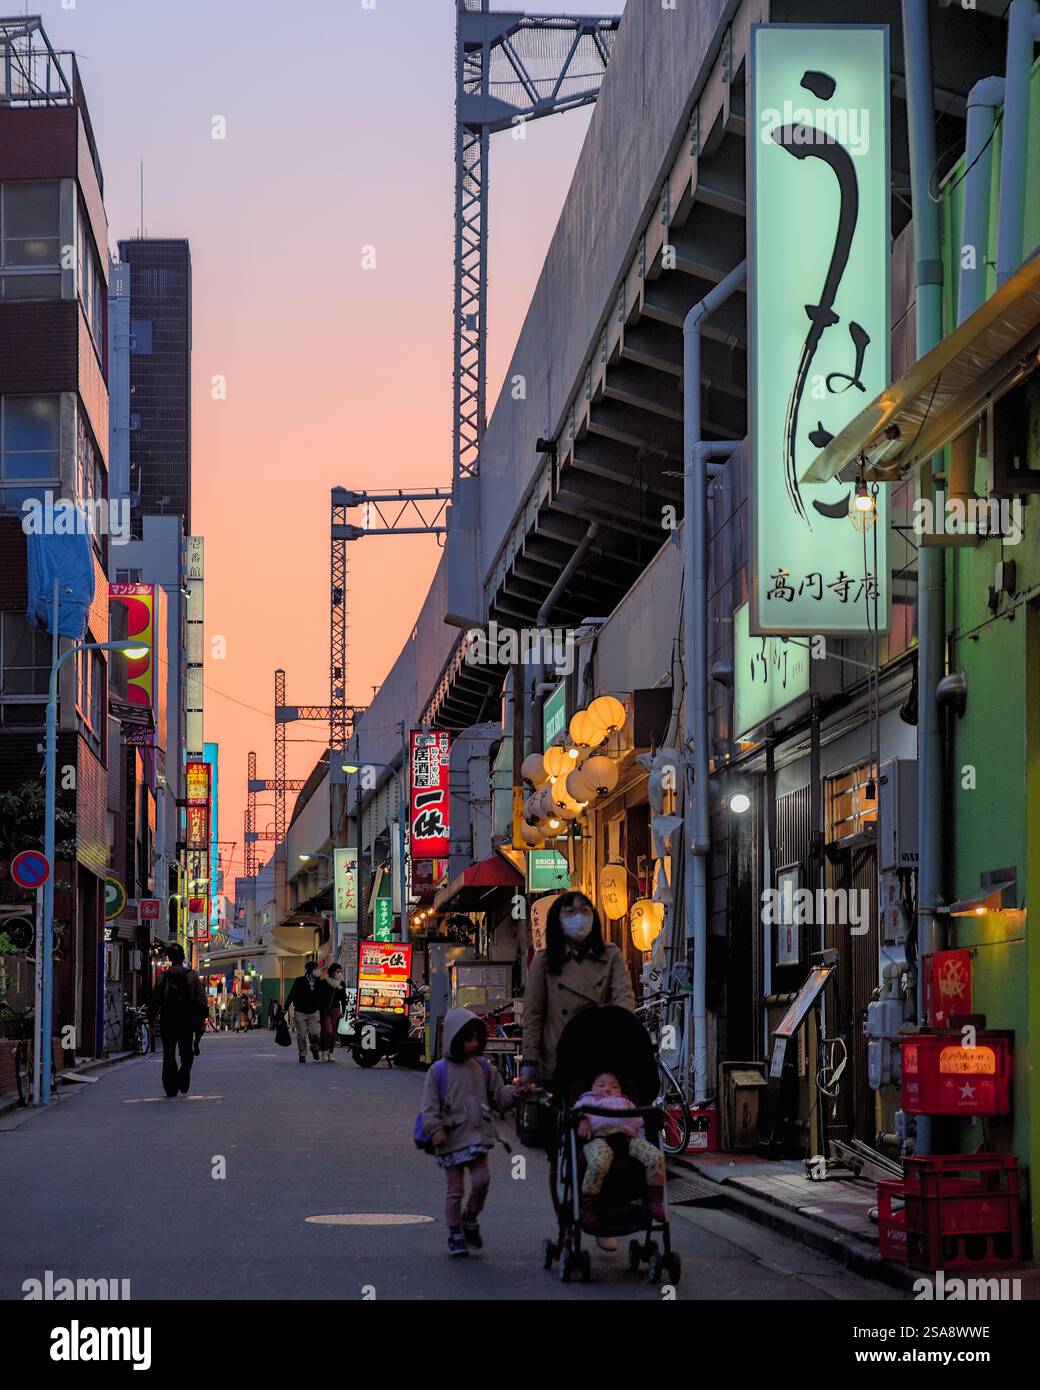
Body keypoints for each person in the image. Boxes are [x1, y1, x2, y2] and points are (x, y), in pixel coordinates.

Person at [421, 1006, 518, 1257]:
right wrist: (435, 1130)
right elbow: (429, 1106)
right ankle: (455, 1230)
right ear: (455, 1038)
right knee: (455, 1190)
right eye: (469, 1039)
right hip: (450, 1138)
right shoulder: (438, 1071)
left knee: (482, 1180)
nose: (474, 1044)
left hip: (478, 1136)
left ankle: (470, 1217)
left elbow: (499, 1097)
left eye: (477, 1038)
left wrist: (516, 1092)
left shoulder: (484, 1068)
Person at [519, 892, 635, 1088]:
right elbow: (533, 1014)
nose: (578, 917)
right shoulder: (544, 960)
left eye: (584, 910)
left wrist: (623, 1038)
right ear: (557, 919)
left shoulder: (611, 955)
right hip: (557, 1060)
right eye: (570, 912)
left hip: (601, 1058)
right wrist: (530, 1060)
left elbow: (623, 999)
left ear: (593, 916)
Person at [575, 1071, 666, 1222]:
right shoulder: (588, 1099)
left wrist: (643, 1140)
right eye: (601, 1085)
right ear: (591, 1087)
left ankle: (655, 1198)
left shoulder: (625, 1101)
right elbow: (578, 1112)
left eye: (614, 1086)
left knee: (655, 1156)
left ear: (621, 1090)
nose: (608, 1089)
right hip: (599, 1137)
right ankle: (589, 1202)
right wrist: (583, 1120)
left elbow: (639, 1124)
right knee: (599, 1162)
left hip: (627, 1137)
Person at [148, 944, 208, 1097]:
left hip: (168, 1020)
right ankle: (184, 1072)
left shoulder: (163, 977)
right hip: (186, 1020)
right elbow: (201, 999)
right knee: (186, 1051)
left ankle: (170, 1086)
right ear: (182, 957)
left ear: (169, 958)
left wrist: (151, 1018)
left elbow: (155, 1000)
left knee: (169, 1053)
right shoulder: (192, 975)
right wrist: (201, 1019)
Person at [283, 959, 323, 1063]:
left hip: (314, 1012)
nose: (318, 970)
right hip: (300, 1012)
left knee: (316, 1033)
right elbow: (292, 994)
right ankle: (302, 1054)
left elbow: (322, 998)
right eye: (316, 969)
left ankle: (314, 1048)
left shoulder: (319, 982)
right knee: (301, 1035)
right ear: (310, 970)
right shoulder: (299, 981)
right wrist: (285, 1007)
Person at [317, 963, 346, 1061]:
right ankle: (325, 1051)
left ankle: (331, 1053)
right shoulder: (323, 983)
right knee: (327, 1031)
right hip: (325, 1010)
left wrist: (343, 1011)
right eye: (337, 971)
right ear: (332, 972)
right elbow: (319, 998)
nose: (339, 973)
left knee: (333, 1032)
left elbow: (343, 999)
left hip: (336, 1010)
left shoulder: (342, 984)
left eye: (340, 971)